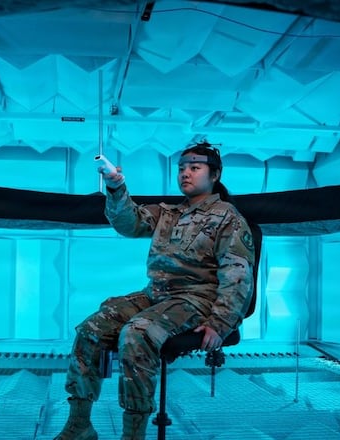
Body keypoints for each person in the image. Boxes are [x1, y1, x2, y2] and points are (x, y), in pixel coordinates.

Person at [55, 142, 257, 440]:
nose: (185, 173)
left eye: (195, 167)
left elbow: (238, 273)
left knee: (137, 333)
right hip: (157, 294)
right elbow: (128, 223)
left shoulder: (227, 217)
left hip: (196, 299)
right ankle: (80, 425)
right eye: (181, 168)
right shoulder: (169, 213)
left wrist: (221, 323)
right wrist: (116, 188)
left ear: (214, 175)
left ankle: (133, 434)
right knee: (91, 328)